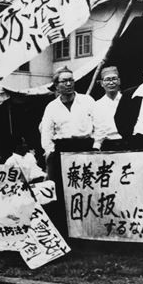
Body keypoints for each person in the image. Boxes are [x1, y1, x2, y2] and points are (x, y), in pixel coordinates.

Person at [40, 66, 95, 235]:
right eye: (64, 81)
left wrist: (95, 147)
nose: (69, 84)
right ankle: (65, 231)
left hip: (85, 149)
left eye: (71, 80)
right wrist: (50, 152)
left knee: (87, 189)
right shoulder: (51, 107)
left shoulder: (87, 101)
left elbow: (98, 125)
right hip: (62, 151)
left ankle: (88, 228)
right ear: (56, 85)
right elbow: (46, 133)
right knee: (63, 192)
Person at [92, 66, 124, 151]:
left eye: (114, 79)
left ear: (119, 81)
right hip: (108, 146)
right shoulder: (97, 105)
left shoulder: (127, 100)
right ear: (102, 83)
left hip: (126, 144)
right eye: (107, 79)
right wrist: (96, 148)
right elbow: (99, 131)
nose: (111, 82)